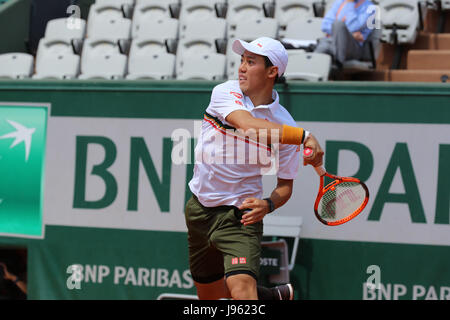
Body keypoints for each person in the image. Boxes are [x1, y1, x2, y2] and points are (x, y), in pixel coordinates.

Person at [184, 36, 324, 300]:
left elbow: (285, 187)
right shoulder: (225, 92)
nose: (242, 68)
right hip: (199, 212)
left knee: (242, 294)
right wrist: (304, 136)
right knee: (210, 299)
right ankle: (271, 297)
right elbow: (247, 125)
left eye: (251, 61)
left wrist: (268, 205)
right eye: (241, 60)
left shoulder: (284, 124)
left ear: (272, 72)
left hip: (241, 216)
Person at [315, 0, 375, 68]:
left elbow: (353, 26)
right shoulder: (339, 2)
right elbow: (325, 25)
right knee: (322, 47)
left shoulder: (370, 7)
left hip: (354, 47)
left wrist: (350, 4)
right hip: (332, 42)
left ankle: (339, 63)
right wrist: (344, 33)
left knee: (338, 24)